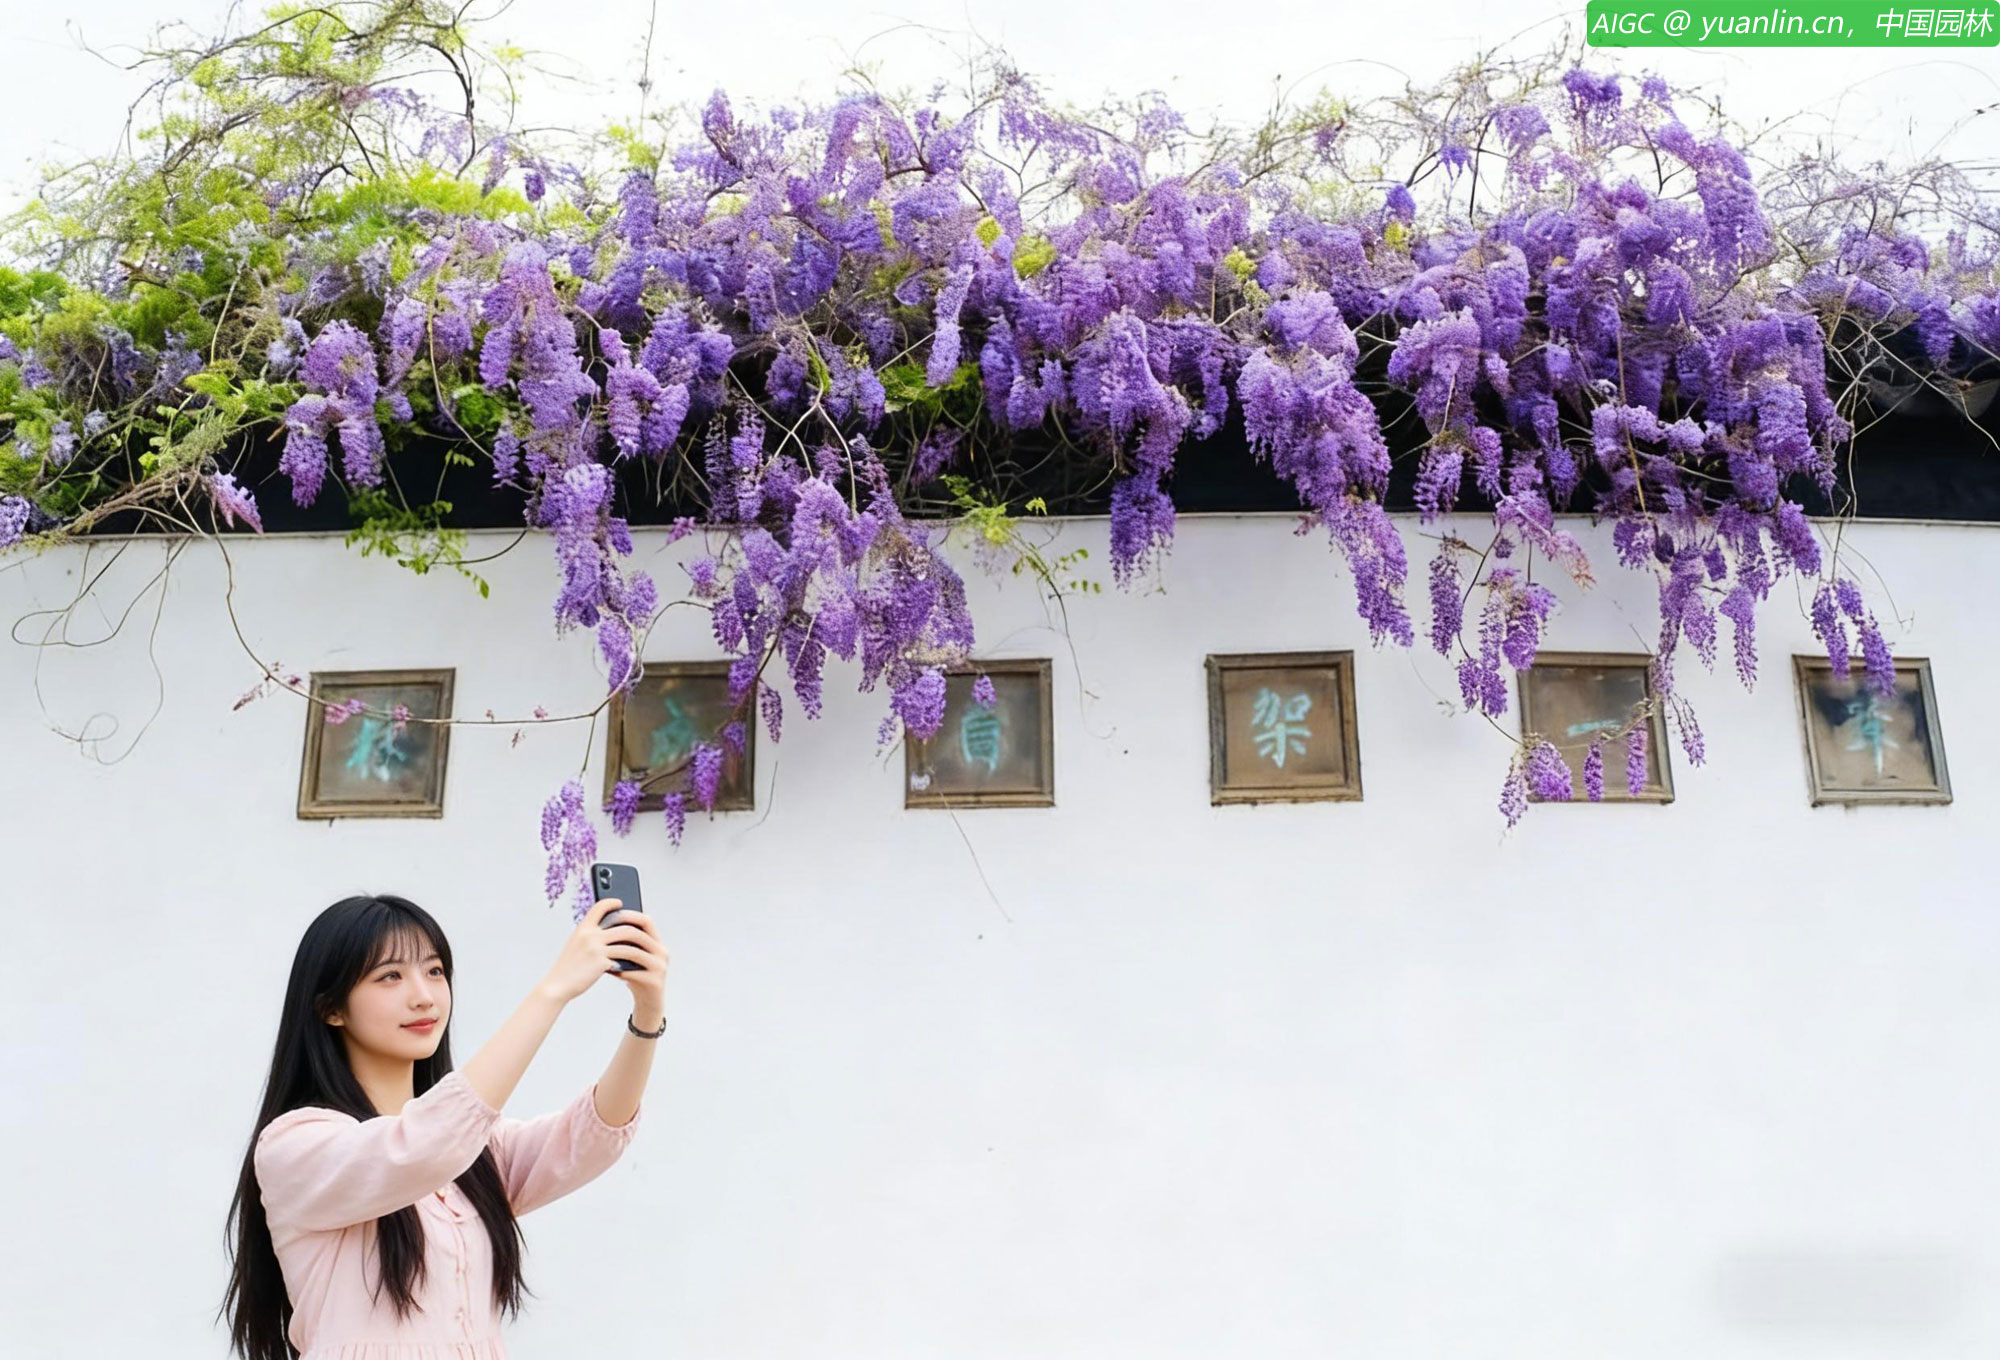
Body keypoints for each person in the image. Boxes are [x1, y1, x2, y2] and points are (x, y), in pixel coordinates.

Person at [217, 891, 668, 1360]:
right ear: (332, 1008)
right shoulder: (297, 1145)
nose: (424, 996)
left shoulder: (475, 1150)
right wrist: (552, 992)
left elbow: (587, 1138)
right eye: (390, 976)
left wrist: (647, 1015)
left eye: (434, 972)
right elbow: (422, 1147)